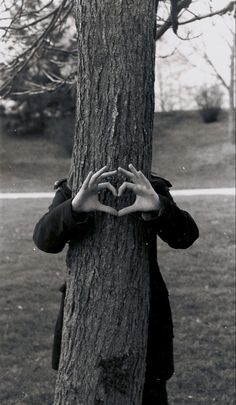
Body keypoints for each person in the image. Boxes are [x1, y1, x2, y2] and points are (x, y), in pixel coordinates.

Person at [33, 163, 199, 405]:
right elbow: (44, 240)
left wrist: (159, 207)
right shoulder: (73, 188)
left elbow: (185, 237)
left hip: (145, 315)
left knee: (148, 392)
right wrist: (74, 208)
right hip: (85, 317)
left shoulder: (149, 185)